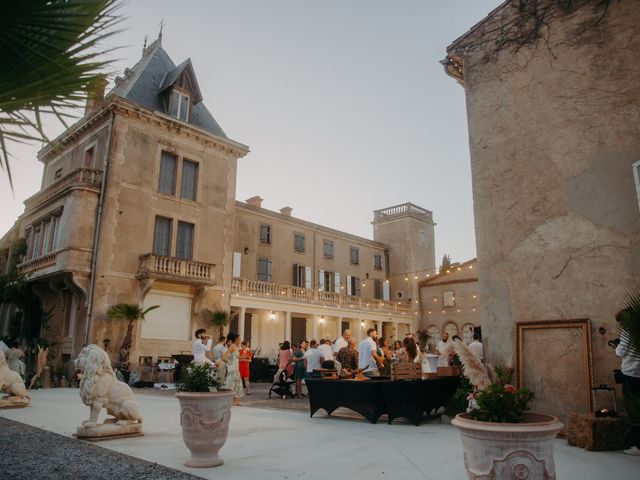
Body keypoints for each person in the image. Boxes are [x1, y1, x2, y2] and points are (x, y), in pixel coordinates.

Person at [615, 312, 640, 456]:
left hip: (631, 373)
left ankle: (638, 446)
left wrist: (616, 347)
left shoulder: (628, 331)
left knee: (634, 410)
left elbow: (621, 351)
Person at [221, 332, 244, 405]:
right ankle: (229, 399)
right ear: (236, 339)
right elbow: (224, 357)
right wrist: (230, 363)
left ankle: (234, 399)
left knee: (236, 382)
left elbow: (235, 357)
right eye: (239, 339)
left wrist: (242, 358)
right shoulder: (232, 346)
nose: (240, 340)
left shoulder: (235, 347)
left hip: (236, 367)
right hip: (233, 367)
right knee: (231, 382)